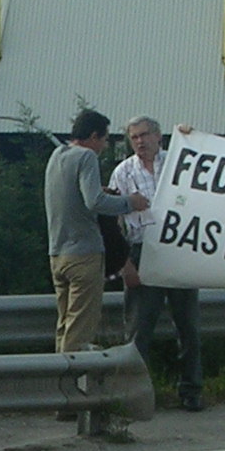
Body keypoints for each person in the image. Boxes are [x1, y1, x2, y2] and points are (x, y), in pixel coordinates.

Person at [109, 116, 201, 412]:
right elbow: (111, 222)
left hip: (178, 249)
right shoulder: (123, 172)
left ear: (158, 136)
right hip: (141, 249)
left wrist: (192, 135)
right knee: (139, 329)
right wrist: (124, 264)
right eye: (134, 137)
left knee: (187, 326)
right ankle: (136, 396)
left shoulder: (179, 162)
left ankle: (191, 391)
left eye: (145, 135)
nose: (140, 141)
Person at [45, 108, 146, 354]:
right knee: (80, 329)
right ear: (93, 137)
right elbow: (95, 202)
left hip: (58, 253)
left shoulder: (57, 155)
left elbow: (73, 197)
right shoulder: (85, 157)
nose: (103, 146)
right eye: (103, 139)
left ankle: (59, 372)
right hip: (84, 253)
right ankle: (75, 385)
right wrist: (129, 202)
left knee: (65, 324)